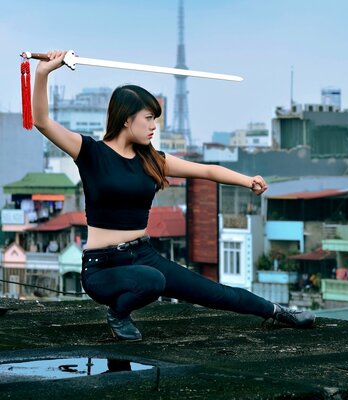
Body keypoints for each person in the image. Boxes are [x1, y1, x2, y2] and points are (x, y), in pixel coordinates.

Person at [32, 50, 315, 341]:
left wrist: (247, 180)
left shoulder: (152, 160)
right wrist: (43, 73)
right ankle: (117, 313)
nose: (154, 126)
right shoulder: (90, 152)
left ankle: (280, 312)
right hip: (102, 268)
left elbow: (207, 171)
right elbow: (42, 121)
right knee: (153, 281)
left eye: (155, 119)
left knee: (212, 292)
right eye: (149, 118)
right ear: (127, 120)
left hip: (143, 255)